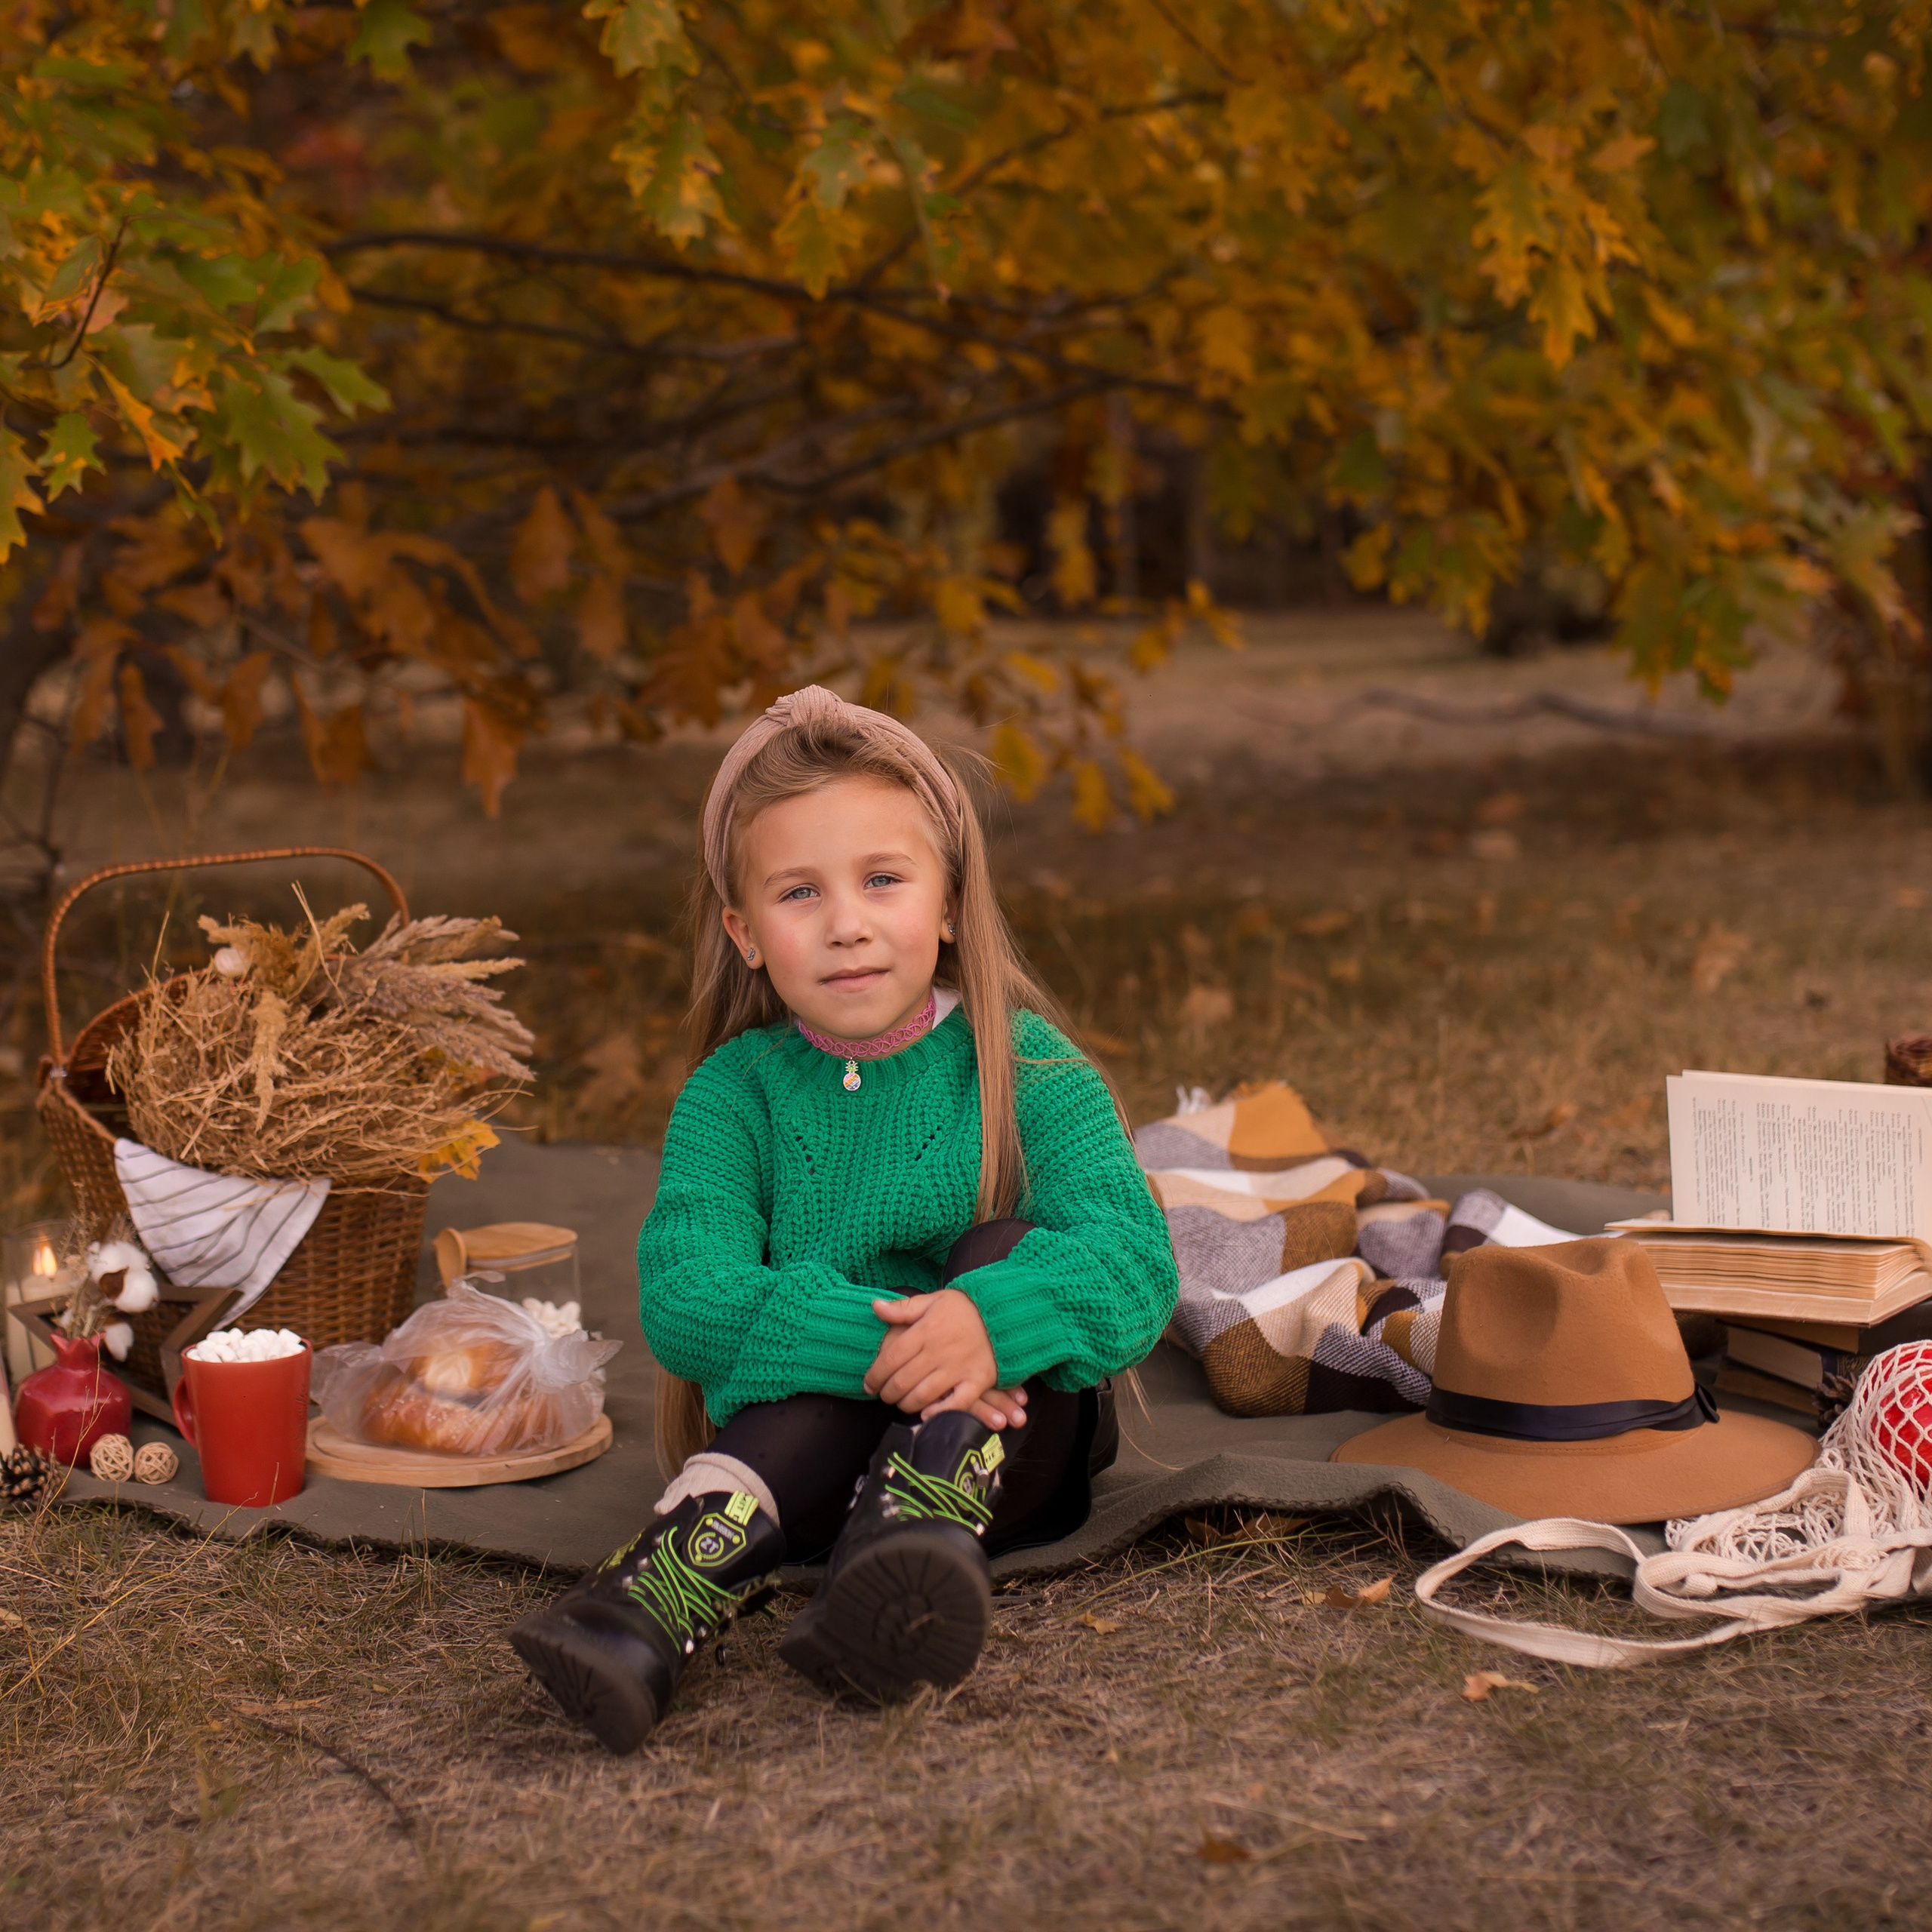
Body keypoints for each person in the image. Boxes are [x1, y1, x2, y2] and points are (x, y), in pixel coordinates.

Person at [506, 686, 1179, 1752]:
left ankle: (905, 1552)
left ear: (950, 900)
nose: (848, 922)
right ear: (745, 933)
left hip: (1003, 1468)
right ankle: (646, 1610)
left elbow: (1133, 1258)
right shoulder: (735, 1096)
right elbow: (689, 1295)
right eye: (799, 893)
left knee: (1004, 1252)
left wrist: (987, 1320)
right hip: (799, 1481)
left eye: (881, 879)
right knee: (810, 1377)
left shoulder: (1029, 1065)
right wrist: (888, 1345)